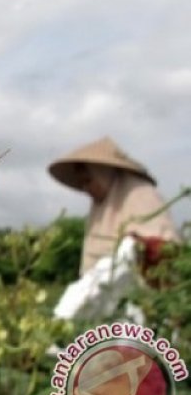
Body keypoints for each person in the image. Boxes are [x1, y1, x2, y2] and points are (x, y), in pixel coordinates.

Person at [47, 136, 179, 321]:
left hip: (147, 307)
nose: (86, 188)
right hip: (111, 310)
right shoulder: (100, 207)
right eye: (82, 183)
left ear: (103, 173)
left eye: (88, 180)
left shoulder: (141, 196)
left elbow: (161, 253)